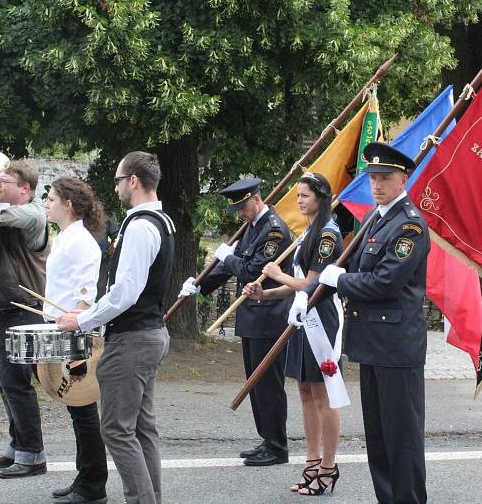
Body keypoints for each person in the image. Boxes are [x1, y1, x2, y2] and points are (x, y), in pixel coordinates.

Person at [293, 142, 430, 504]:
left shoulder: (410, 226)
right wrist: (337, 272)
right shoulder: (377, 218)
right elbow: (355, 266)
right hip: (372, 343)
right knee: (380, 438)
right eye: (373, 178)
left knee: (401, 437)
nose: (377, 185)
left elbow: (386, 281)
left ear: (403, 179)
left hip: (397, 346)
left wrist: (338, 280)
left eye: (386, 178)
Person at [57, 152, 174, 504]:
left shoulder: (140, 225)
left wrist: (83, 319)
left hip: (134, 338)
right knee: (141, 428)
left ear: (133, 181)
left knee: (117, 431)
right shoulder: (162, 221)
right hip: (149, 333)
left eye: (119, 180)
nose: (117, 187)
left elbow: (125, 292)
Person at [179, 177, 293, 467]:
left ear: (256, 198)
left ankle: (278, 446)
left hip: (269, 315)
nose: (241, 213)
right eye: (238, 209)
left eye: (243, 207)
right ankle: (267, 439)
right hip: (252, 317)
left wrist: (227, 258)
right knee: (256, 383)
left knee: (268, 384)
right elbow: (234, 265)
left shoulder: (274, 231)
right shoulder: (254, 228)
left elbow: (253, 270)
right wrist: (200, 285)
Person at [242, 172, 343, 495]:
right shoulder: (308, 231)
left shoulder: (327, 235)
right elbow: (297, 290)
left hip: (322, 319)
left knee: (323, 395)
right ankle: (311, 461)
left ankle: (328, 466)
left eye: (305, 196)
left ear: (321, 199)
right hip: (302, 317)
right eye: (298, 195)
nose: (299, 201)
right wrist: (265, 294)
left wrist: (276, 274)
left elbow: (313, 285)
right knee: (304, 391)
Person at [0, 160, 50, 479]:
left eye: (5, 181)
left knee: (16, 384)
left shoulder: (32, 214)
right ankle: (17, 446)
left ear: (25, 189)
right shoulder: (0, 212)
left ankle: (33, 454)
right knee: (3, 382)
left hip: (22, 311)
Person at [43, 176, 108, 504]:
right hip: (62, 330)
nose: (47, 203)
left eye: (52, 198)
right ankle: (85, 476)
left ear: (68, 204)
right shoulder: (65, 237)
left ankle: (94, 485)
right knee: (75, 408)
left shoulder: (80, 240)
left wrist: (76, 327)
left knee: (83, 409)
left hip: (74, 332)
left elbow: (86, 294)